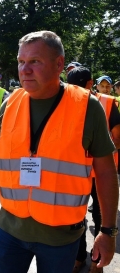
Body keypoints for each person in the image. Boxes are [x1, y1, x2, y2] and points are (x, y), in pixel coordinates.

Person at [0, 31, 119, 273]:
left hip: (60, 238)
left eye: (35, 61)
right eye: (21, 62)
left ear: (59, 64)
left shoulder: (86, 107)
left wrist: (107, 231)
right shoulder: (9, 104)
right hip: (9, 232)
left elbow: (106, 173)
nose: (25, 69)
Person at [67, 67, 120, 273]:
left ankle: (97, 262)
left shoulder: (107, 103)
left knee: (99, 216)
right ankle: (79, 258)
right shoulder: (67, 102)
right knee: (76, 217)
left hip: (99, 173)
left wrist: (97, 156)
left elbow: (117, 137)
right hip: (76, 172)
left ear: (90, 84)